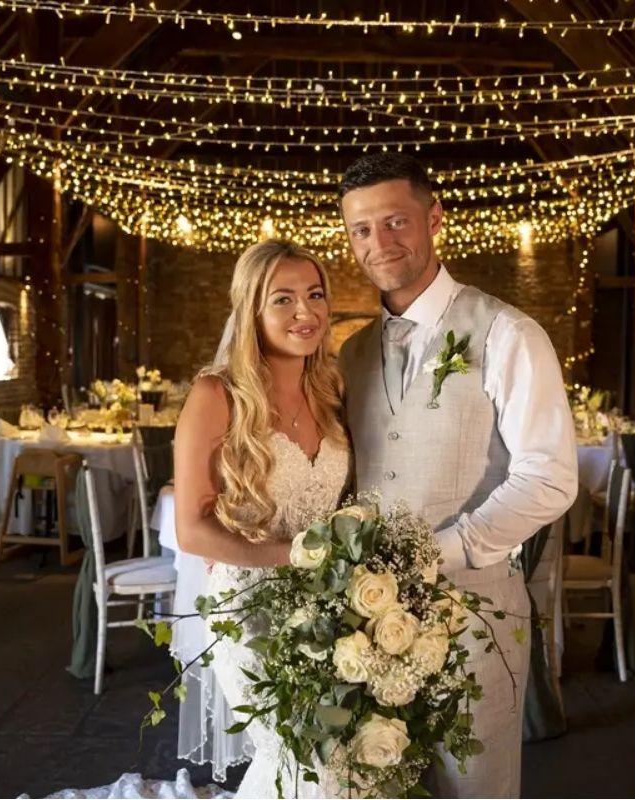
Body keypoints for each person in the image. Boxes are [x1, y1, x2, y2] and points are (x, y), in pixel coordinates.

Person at [336, 152, 579, 798]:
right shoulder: (351, 353)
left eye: (395, 221)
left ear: (434, 217)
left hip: (478, 624)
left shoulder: (508, 334)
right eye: (361, 229)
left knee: (475, 787)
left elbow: (551, 477)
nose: (379, 243)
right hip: (368, 634)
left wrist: (445, 550)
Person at [172, 239, 351, 798]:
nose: (306, 312)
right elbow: (190, 528)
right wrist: (291, 556)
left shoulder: (331, 390)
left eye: (315, 295)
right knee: (302, 756)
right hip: (250, 611)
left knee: (340, 751)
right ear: (252, 308)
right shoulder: (215, 394)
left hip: (332, 606)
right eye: (284, 299)